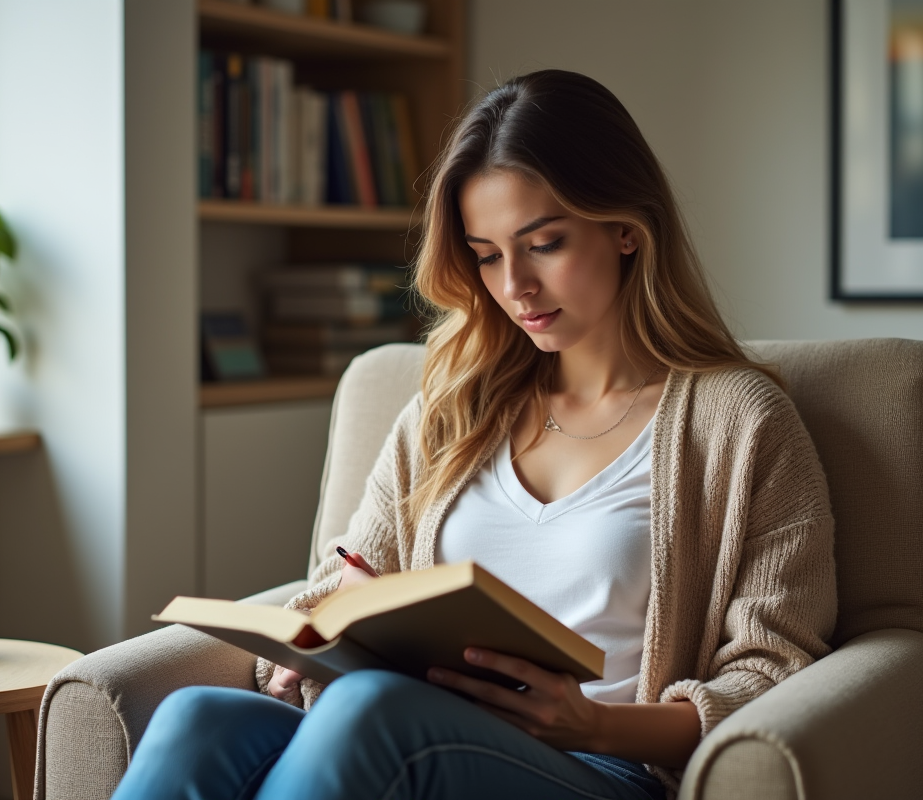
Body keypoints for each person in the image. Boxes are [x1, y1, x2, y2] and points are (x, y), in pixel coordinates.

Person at [112, 69, 836, 800]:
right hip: (410, 731)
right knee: (197, 717)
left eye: (543, 243)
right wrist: (334, 619)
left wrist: (590, 724)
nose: (514, 284)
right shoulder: (451, 406)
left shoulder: (741, 423)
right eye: (487, 255)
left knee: (373, 714)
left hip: (602, 767)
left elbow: (769, 673)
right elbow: (346, 578)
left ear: (626, 229)